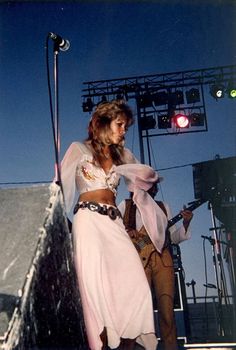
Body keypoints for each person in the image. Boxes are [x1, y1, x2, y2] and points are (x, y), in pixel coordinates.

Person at [58, 100, 158, 350]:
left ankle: (127, 342)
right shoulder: (79, 149)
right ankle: (101, 343)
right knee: (94, 289)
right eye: (120, 124)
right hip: (87, 221)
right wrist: (59, 225)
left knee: (137, 284)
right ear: (103, 123)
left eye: (126, 125)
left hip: (114, 223)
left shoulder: (121, 154)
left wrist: (143, 177)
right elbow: (61, 188)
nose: (124, 130)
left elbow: (145, 177)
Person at [118, 180, 193, 350]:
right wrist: (126, 232)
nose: (150, 187)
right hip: (137, 262)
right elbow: (114, 232)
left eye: (152, 184)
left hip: (162, 260)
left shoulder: (163, 206)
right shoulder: (126, 205)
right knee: (135, 313)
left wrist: (186, 223)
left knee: (167, 314)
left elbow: (173, 238)